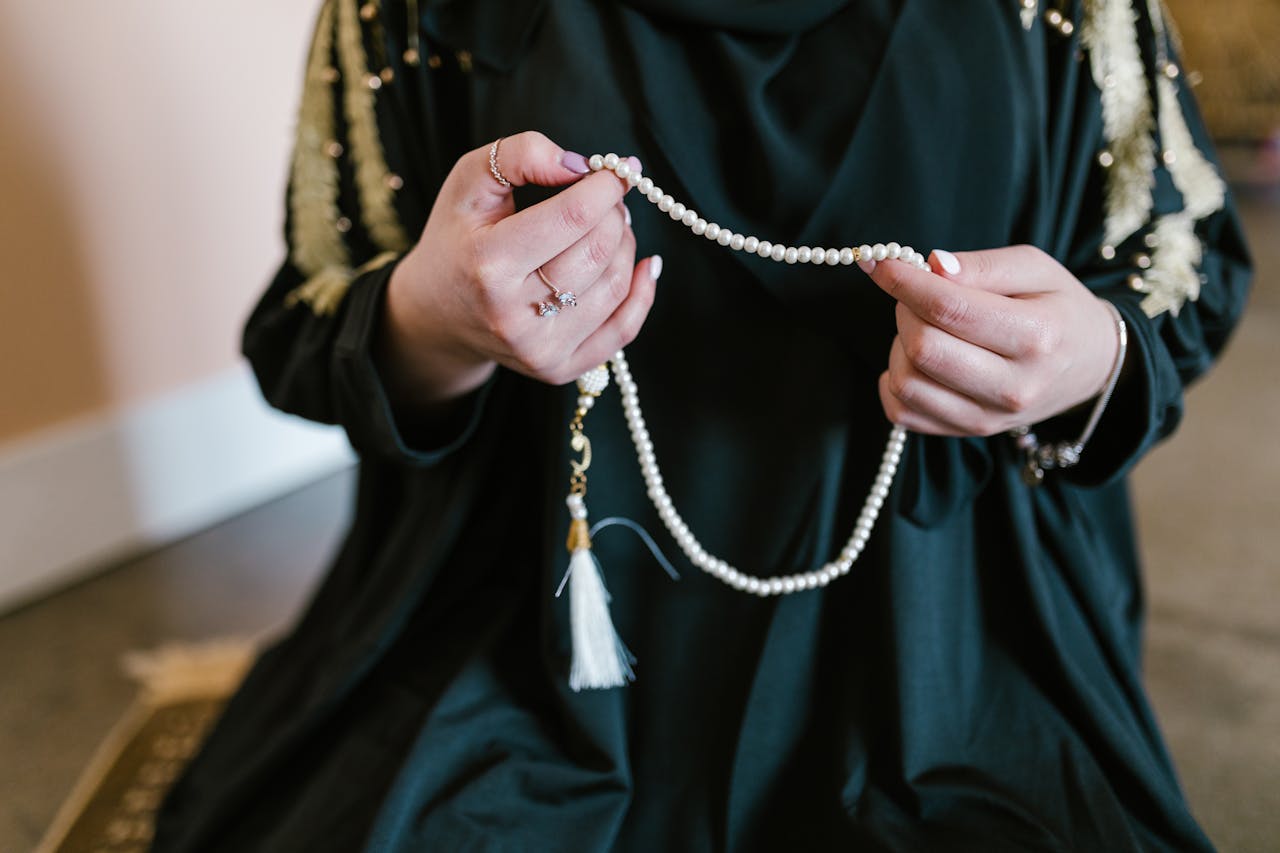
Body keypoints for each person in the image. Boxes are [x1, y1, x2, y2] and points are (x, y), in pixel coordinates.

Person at [154, 0, 1252, 850]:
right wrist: (431, 324)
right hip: (522, 635)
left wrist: (1090, 354)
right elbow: (313, 306)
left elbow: (1178, 252)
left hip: (952, 642)